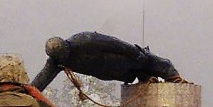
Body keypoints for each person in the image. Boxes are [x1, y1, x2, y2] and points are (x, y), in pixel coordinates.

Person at [30, 31, 184, 90]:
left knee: (147, 61)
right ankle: (144, 77)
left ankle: (171, 74)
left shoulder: (84, 40)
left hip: (121, 58)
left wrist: (133, 52)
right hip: (110, 70)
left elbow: (114, 43)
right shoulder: (57, 61)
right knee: (134, 71)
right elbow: (41, 80)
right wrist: (26, 94)